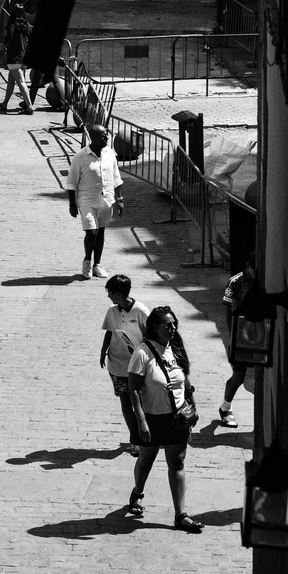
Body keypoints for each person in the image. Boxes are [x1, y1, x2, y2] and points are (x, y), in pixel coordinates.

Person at [127, 306, 205, 533]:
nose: (172, 329)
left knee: (178, 463)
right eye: (167, 326)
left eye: (174, 325)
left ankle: (181, 515)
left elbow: (187, 385)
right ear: (154, 328)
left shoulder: (177, 349)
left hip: (177, 419)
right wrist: (141, 422)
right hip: (151, 418)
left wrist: (193, 410)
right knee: (146, 460)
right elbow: (133, 390)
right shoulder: (142, 354)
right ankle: (138, 492)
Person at [99, 274, 151, 456]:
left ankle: (144, 433)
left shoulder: (142, 311)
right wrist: (103, 351)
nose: (108, 296)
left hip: (137, 367)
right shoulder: (112, 311)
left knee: (140, 402)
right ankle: (134, 438)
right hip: (117, 365)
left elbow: (151, 336)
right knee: (126, 402)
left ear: (119, 293)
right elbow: (109, 332)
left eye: (110, 293)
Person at [66, 123, 125, 279]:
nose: (106, 137)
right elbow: (71, 182)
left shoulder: (110, 154)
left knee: (101, 233)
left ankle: (97, 264)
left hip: (106, 200)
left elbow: (116, 178)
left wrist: (119, 199)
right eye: (103, 135)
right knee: (91, 232)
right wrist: (72, 204)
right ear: (92, 138)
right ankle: (87, 260)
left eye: (107, 134)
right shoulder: (80, 157)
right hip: (87, 201)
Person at [218, 262, 256, 427]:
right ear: (247, 266)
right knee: (238, 377)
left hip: (260, 335)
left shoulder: (264, 278)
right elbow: (229, 312)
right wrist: (234, 339)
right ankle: (226, 407)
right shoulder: (235, 282)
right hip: (240, 337)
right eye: (253, 268)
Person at [0, 1, 34, 114]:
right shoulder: (27, 27)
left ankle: (29, 107)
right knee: (11, 81)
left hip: (14, 58)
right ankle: (4, 104)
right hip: (23, 57)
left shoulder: (12, 28)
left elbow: (5, 44)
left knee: (21, 82)